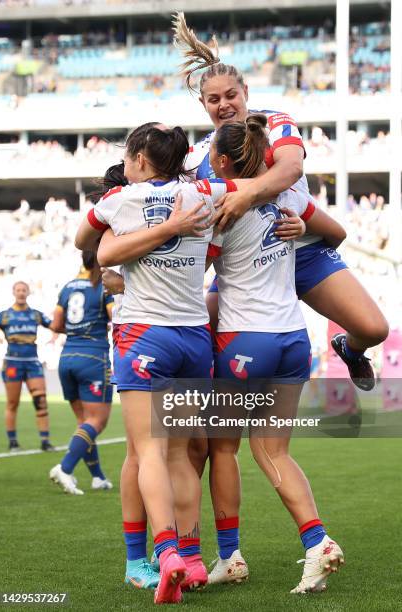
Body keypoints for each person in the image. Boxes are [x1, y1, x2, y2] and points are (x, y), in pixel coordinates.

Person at [75, 121, 296, 603]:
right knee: (181, 453)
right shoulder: (206, 191)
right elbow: (258, 187)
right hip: (194, 338)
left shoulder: (121, 199)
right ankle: (193, 559)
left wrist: (148, 229)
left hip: (143, 333)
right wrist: (292, 214)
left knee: (145, 454)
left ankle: (164, 553)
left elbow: (85, 243)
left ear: (137, 158)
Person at [173, 11, 389, 392]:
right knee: (191, 328)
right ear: (203, 104)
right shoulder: (199, 154)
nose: (223, 104)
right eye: (213, 99)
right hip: (246, 268)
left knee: (373, 329)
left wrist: (245, 196)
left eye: (230, 95)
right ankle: (196, 412)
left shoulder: (274, 122)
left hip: (300, 248)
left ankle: (349, 349)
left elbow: (289, 169)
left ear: (246, 94)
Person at [206, 115, 345, 594]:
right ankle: (315, 541)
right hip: (292, 339)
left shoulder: (221, 202)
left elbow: (190, 273)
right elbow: (339, 234)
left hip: (245, 339)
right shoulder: (292, 197)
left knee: (224, 447)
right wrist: (294, 228)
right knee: (274, 450)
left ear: (222, 160)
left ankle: (230, 556)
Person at [49, 251, 114, 495]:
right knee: (97, 420)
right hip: (93, 357)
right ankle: (65, 468)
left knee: (84, 422)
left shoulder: (67, 287)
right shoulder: (103, 286)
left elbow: (56, 325)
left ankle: (98, 477)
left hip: (67, 358)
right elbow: (114, 317)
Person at [0, 281, 55, 451]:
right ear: (14, 292)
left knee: (41, 401)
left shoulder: (36, 315)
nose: (21, 293)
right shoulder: (5, 315)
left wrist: (55, 337)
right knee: (13, 403)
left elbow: (56, 326)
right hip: (12, 362)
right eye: (18, 290)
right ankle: (13, 442)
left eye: (24, 290)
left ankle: (45, 441)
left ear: (28, 293)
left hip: (32, 362)